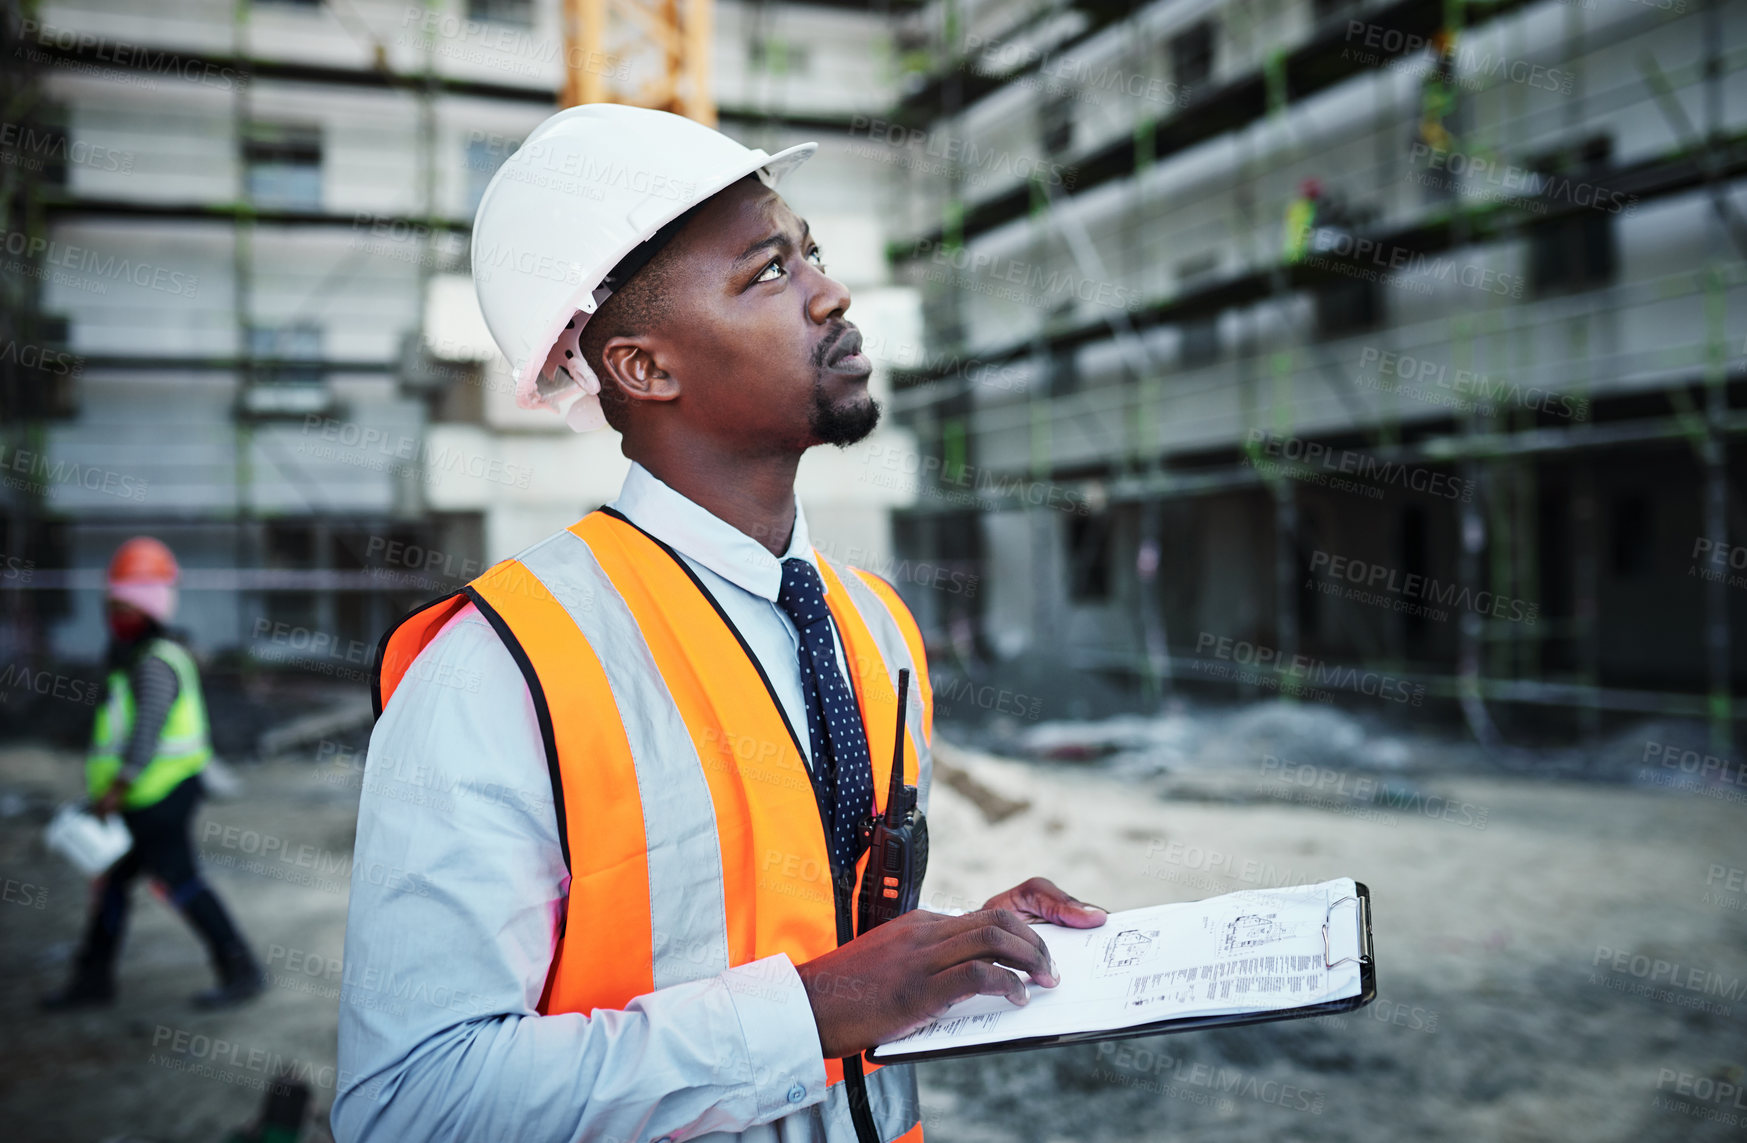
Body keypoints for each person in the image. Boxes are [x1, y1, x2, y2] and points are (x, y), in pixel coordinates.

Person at [333, 105, 1107, 1143]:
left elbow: (825, 933)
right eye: (769, 272)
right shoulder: (501, 670)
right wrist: (816, 1009)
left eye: (812, 255)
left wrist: (953, 953)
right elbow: (411, 1102)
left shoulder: (872, 626)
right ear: (643, 368)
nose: (831, 293)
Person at [41, 536, 265, 1011]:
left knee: (179, 882)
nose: (114, 614)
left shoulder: (156, 663)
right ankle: (94, 978)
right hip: (141, 798)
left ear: (146, 608)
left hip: (158, 798)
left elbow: (147, 731)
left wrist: (118, 787)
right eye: (112, 604)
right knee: (114, 886)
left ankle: (240, 968)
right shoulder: (137, 660)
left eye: (122, 605)